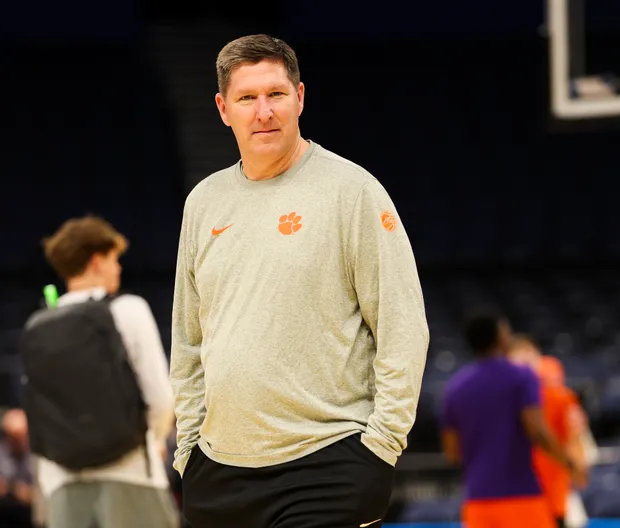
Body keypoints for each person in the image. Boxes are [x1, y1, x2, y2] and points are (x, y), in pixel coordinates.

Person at [170, 34, 429, 528]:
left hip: (329, 464)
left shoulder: (352, 190)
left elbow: (402, 325)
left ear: (301, 98)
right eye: (247, 98)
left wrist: (381, 446)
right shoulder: (203, 202)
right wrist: (189, 448)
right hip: (219, 471)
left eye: (276, 94)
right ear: (224, 109)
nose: (263, 111)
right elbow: (188, 339)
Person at [35, 216, 178, 528]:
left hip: (62, 483)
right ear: (97, 261)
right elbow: (161, 397)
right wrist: (153, 442)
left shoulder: (39, 325)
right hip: (132, 475)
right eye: (114, 260)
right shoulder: (127, 309)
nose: (119, 268)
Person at [441, 310, 586, 528]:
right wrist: (569, 463)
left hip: (477, 501)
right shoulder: (522, 377)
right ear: (501, 337)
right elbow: (537, 431)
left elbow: (452, 454)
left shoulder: (454, 389)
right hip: (521, 496)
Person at [509, 335, 591, 528]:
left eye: (529, 363)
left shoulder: (561, 399)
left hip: (551, 502)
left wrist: (577, 455)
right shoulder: (500, 402)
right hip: (513, 502)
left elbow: (578, 457)